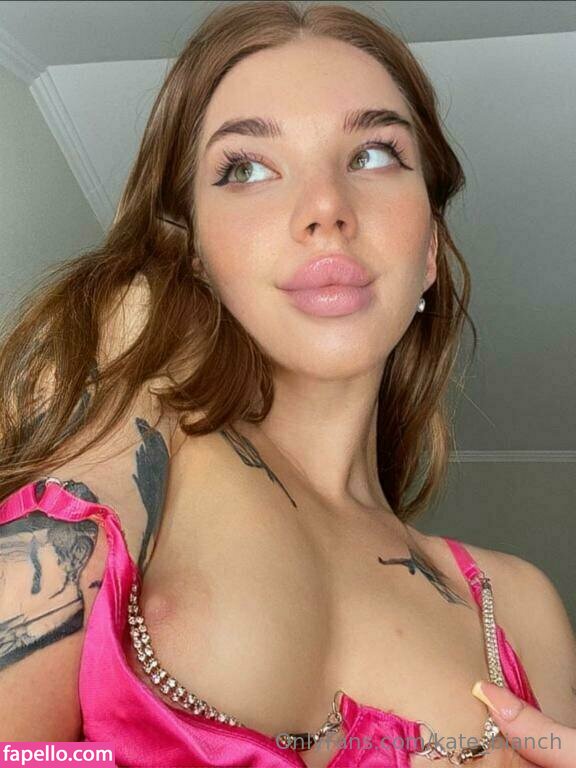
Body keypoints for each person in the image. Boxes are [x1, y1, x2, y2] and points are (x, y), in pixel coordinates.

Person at [0, 1, 574, 766]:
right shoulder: (134, 426)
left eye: (375, 154)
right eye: (246, 169)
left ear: (430, 250)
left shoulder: (521, 608)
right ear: (195, 252)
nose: (325, 209)